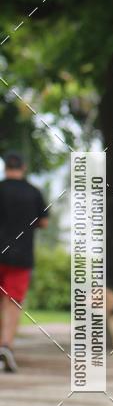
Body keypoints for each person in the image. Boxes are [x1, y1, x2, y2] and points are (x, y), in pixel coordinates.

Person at [0, 151, 49, 373]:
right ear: (24, 167)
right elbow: (44, 222)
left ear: (5, 168)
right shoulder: (34, 193)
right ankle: (6, 345)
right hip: (21, 256)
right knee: (13, 301)